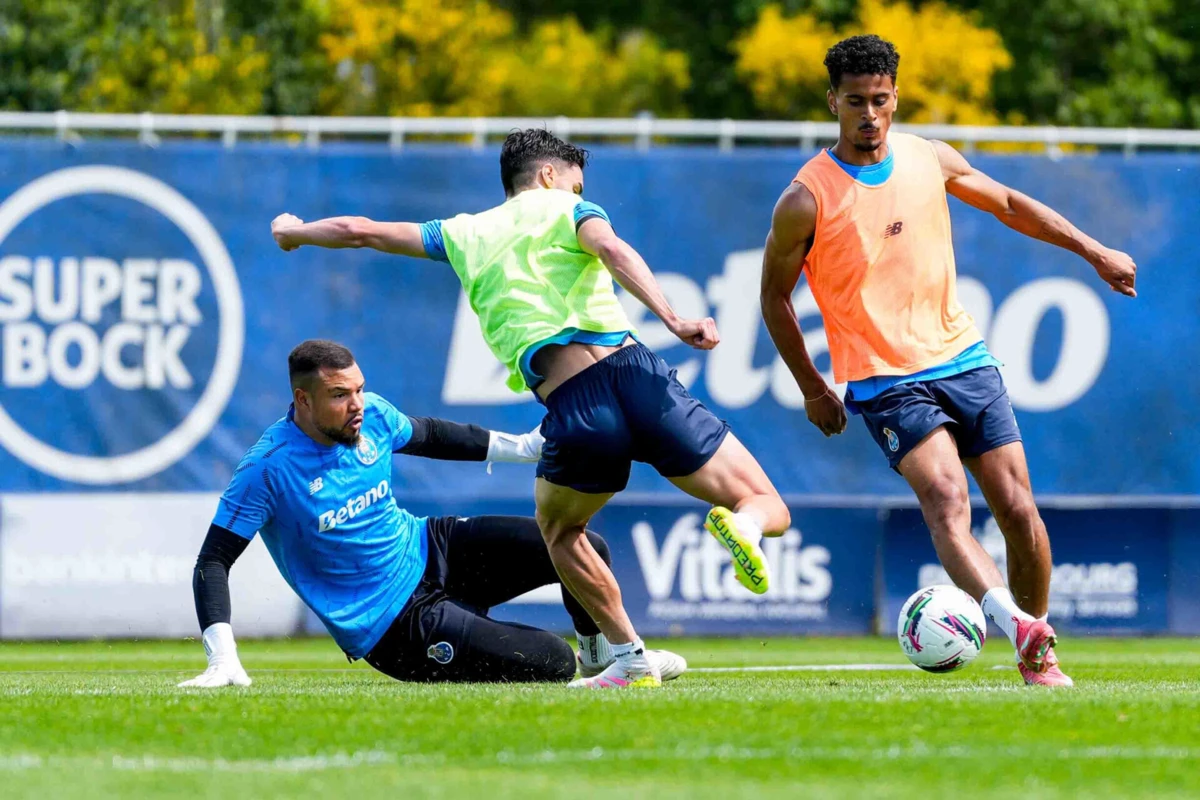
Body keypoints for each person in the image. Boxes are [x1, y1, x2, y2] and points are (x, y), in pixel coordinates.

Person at [269, 129, 790, 689]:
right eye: (575, 181)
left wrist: (294, 232)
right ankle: (745, 526)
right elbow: (612, 249)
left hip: (576, 403)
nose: (578, 189)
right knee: (766, 502)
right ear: (548, 175)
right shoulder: (571, 208)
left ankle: (628, 656)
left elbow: (361, 232)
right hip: (642, 377)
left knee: (563, 533)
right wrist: (673, 319)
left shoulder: (462, 233)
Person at [760, 36, 1137, 688]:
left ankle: (1034, 645)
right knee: (945, 496)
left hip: (963, 358)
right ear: (833, 102)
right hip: (883, 378)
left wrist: (1093, 249)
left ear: (896, 97)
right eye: (855, 102)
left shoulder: (928, 157)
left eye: (880, 100)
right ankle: (1017, 625)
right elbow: (773, 297)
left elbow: (1012, 204)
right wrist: (814, 386)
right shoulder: (805, 198)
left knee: (1019, 509)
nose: (870, 115)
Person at [178, 339, 686, 688]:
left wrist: (525, 446)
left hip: (430, 547)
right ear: (302, 399)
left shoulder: (371, 413)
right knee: (552, 662)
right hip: (394, 625)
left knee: (584, 548)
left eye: (358, 389)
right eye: (339, 395)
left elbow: (431, 435)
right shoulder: (266, 469)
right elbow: (213, 561)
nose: (357, 404)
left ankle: (606, 659)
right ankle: (577, 661)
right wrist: (222, 657)